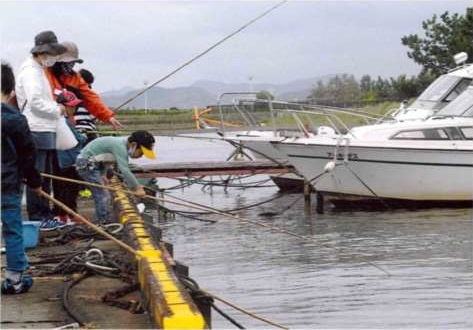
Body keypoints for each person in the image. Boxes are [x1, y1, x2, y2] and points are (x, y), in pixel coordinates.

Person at [15, 30, 74, 231]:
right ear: (41, 52)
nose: (52, 58)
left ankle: (45, 214)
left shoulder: (38, 70)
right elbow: (35, 101)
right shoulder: (31, 72)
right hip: (36, 128)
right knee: (38, 176)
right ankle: (38, 216)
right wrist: (56, 109)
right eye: (50, 53)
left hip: (45, 128)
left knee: (46, 176)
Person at [1, 62, 43, 294]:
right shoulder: (15, 120)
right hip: (7, 185)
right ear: (11, 92)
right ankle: (15, 279)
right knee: (12, 229)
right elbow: (28, 157)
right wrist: (35, 183)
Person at [75, 131, 156, 224]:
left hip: (92, 165)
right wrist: (137, 188)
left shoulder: (120, 144)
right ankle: (103, 222)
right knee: (102, 195)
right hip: (86, 164)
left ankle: (103, 219)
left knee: (102, 192)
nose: (141, 156)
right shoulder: (120, 147)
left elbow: (104, 159)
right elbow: (125, 170)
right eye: (141, 153)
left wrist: (103, 174)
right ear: (134, 144)